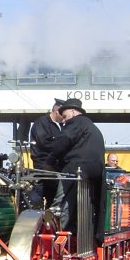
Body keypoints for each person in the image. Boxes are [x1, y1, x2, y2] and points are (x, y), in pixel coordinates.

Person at [48, 98, 106, 242]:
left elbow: (63, 141)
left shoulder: (76, 122)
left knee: (61, 203)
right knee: (84, 203)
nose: (63, 120)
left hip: (77, 168)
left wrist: (49, 160)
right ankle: (77, 232)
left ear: (73, 112)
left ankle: (58, 235)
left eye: (65, 116)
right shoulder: (91, 126)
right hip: (95, 172)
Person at [28, 98, 65, 208]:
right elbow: (45, 143)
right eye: (62, 115)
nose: (64, 118)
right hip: (43, 167)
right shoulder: (41, 123)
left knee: (52, 197)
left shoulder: (60, 126)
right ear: (56, 111)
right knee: (39, 197)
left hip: (54, 169)